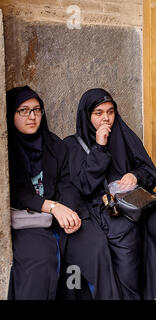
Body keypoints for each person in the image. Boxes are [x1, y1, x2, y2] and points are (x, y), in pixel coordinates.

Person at [64, 88, 156, 300]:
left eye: (110, 111)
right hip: (107, 209)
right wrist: (99, 147)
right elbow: (85, 186)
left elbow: (149, 172)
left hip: (139, 201)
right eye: (98, 113)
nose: (106, 118)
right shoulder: (72, 145)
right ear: (87, 116)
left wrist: (135, 176)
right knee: (127, 244)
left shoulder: (123, 135)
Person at [6, 86, 82, 299]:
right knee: (40, 260)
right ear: (11, 113)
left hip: (55, 218)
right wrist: (53, 207)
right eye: (23, 110)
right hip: (27, 221)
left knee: (87, 248)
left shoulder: (54, 145)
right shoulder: (7, 148)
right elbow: (14, 193)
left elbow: (67, 184)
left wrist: (69, 213)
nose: (32, 116)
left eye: (37, 110)